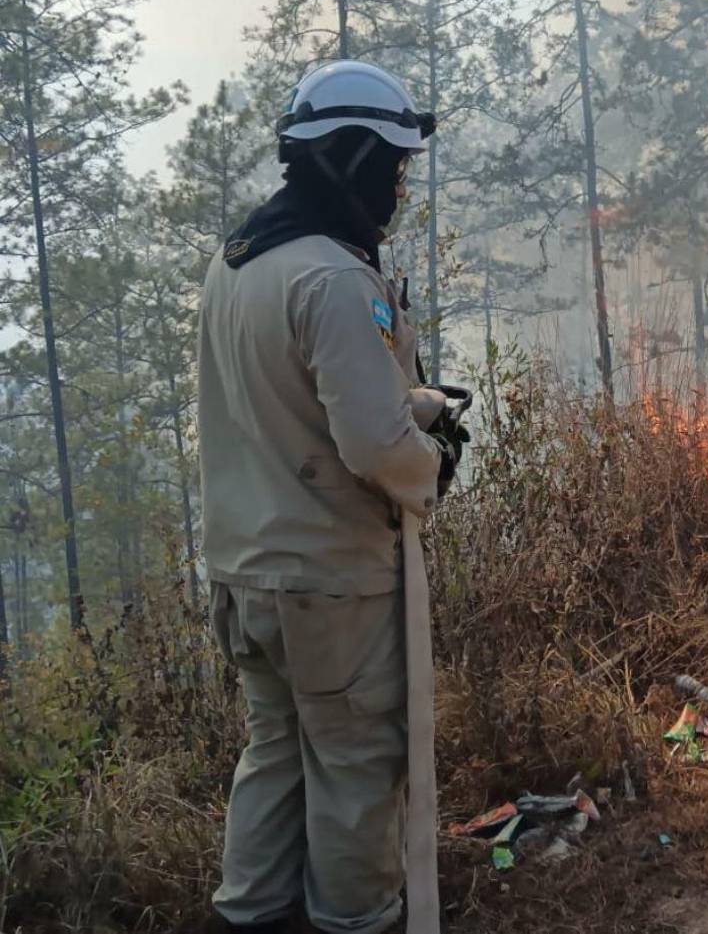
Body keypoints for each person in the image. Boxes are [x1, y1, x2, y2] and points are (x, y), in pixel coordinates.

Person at [198, 60, 463, 934]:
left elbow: (289, 404)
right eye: (389, 164)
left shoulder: (239, 264)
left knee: (273, 756)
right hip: (332, 587)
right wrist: (431, 459)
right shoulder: (336, 279)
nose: (396, 185)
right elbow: (373, 446)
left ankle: (250, 918)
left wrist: (412, 401)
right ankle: (356, 922)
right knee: (356, 767)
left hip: (249, 576)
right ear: (347, 158)